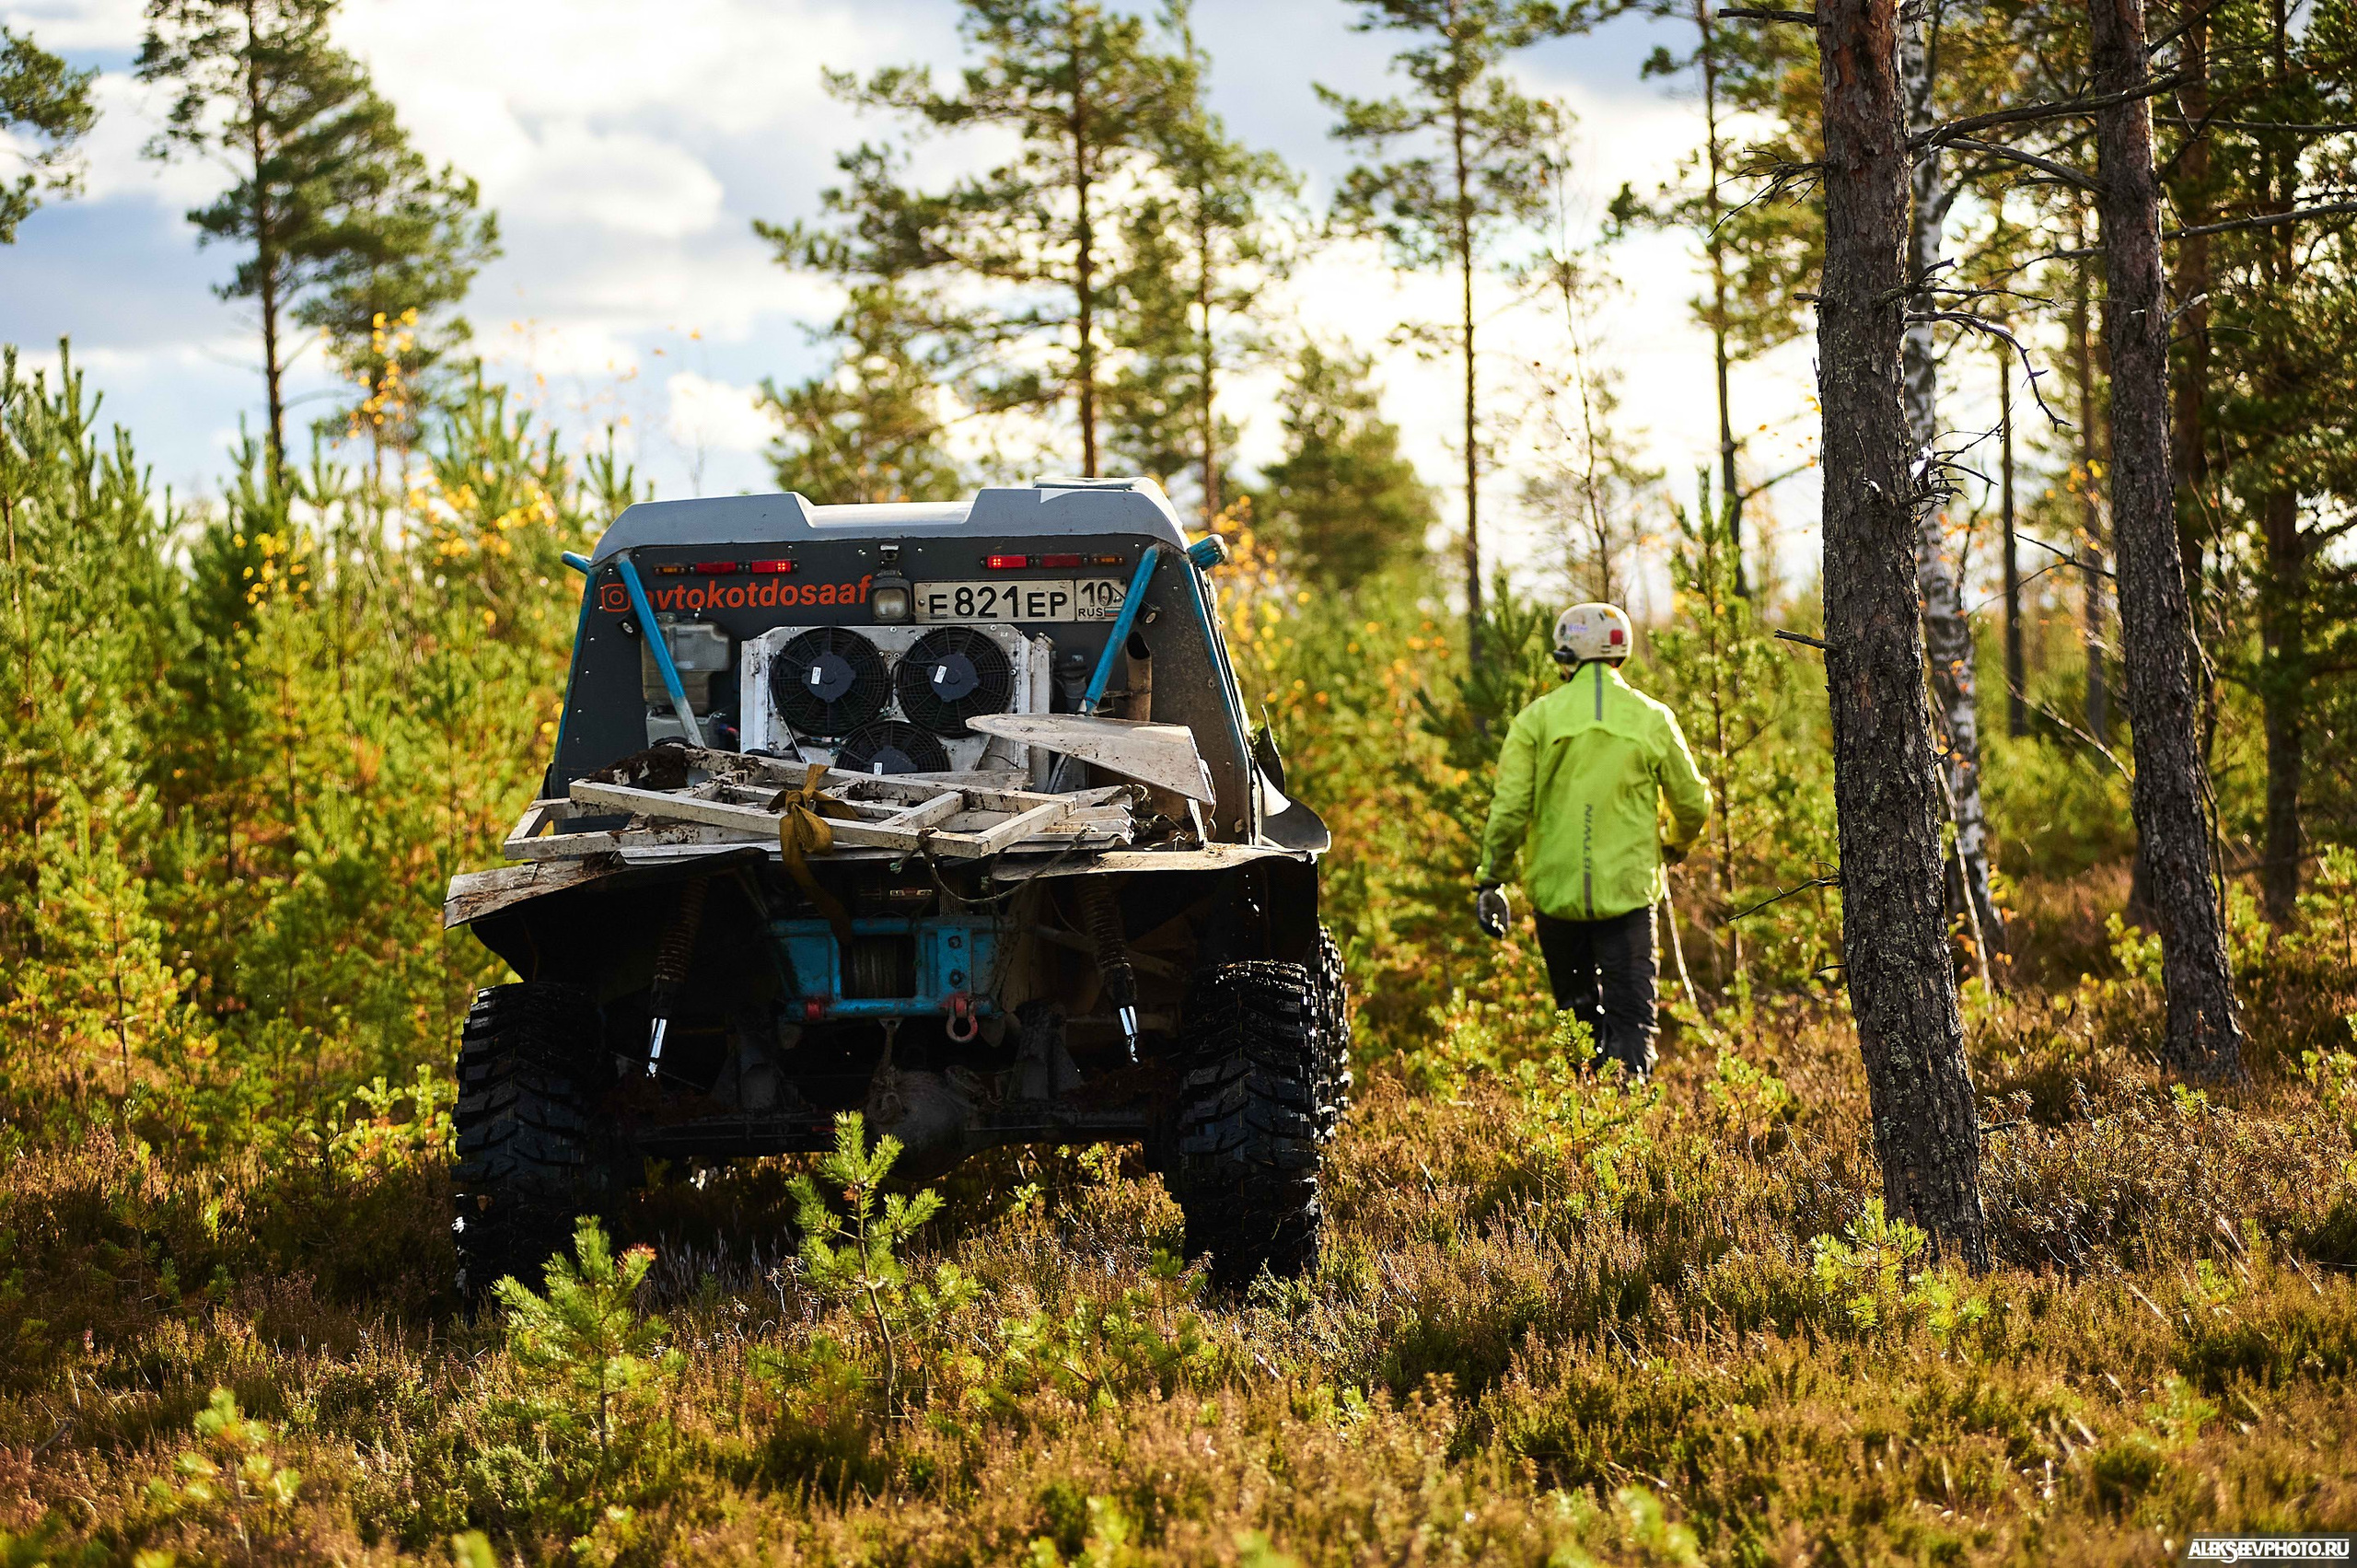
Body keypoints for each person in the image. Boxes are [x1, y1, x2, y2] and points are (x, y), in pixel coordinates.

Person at [1474, 603, 1712, 1079]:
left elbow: (1509, 811)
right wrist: (1672, 842)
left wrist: (1491, 880)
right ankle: (1628, 1133)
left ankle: (1585, 1125)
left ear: (1566, 655)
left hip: (1555, 896)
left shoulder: (1535, 720)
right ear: (1619, 652)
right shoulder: (1653, 718)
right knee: (1631, 1027)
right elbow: (1693, 803)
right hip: (1627, 893)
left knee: (1578, 1022)